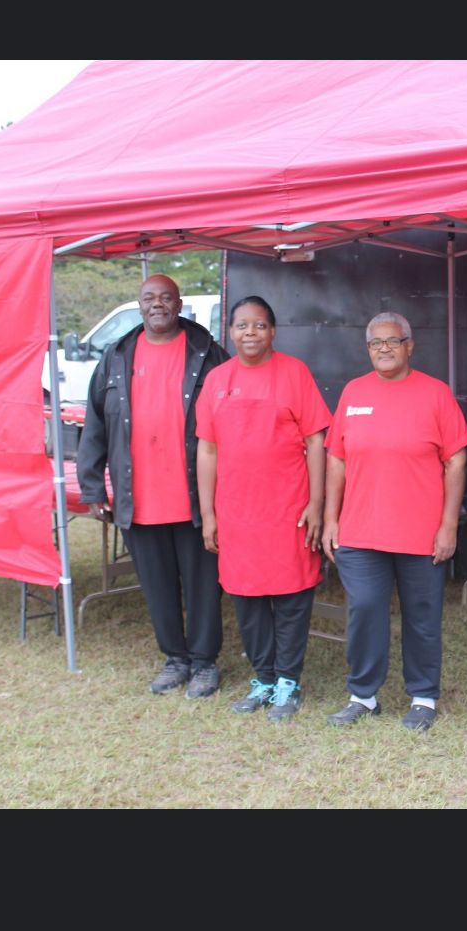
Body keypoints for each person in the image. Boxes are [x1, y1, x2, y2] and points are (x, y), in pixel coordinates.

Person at [77, 275, 229, 697]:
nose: (157, 304)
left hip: (196, 496)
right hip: (138, 497)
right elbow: (94, 424)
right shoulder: (116, 355)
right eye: (149, 298)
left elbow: (231, 421)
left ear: (179, 304)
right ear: (139, 305)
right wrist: (92, 487)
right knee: (157, 585)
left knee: (202, 585)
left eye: (166, 297)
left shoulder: (207, 353)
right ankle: (175, 659)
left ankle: (203, 662)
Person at [322, 313, 467, 732]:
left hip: (421, 532)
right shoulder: (353, 392)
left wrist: (448, 525)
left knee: (422, 614)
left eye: (393, 341)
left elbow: (456, 460)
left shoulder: (435, 394)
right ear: (367, 348)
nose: (384, 349)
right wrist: (330, 518)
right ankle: (363, 696)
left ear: (410, 345)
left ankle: (423, 697)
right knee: (365, 610)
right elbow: (336, 458)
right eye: (375, 343)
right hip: (361, 529)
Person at [196, 296, 332, 723]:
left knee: (292, 595)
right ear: (230, 332)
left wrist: (315, 503)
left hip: (289, 508)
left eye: (258, 325)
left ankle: (289, 681)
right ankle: (264, 679)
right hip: (237, 512)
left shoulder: (294, 373)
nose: (249, 333)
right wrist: (209, 514)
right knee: (246, 595)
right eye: (241, 325)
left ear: (273, 331)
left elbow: (315, 442)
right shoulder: (217, 380)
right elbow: (207, 450)